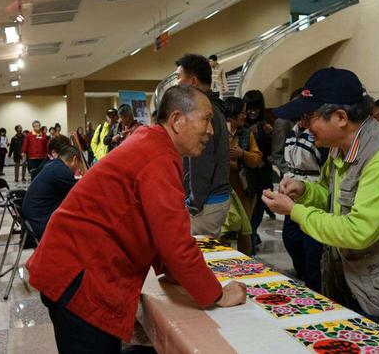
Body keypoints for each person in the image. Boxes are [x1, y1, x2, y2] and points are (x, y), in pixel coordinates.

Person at [26, 85, 246, 354]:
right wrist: (217, 294)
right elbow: (176, 245)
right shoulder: (158, 157)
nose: (211, 130)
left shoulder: (151, 144)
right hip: (79, 276)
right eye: (207, 119)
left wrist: (178, 273)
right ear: (177, 120)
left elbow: (157, 230)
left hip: (75, 267)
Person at [261, 67, 379, 354]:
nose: (304, 126)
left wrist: (295, 212)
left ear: (340, 117)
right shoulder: (340, 147)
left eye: (308, 117)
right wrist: (304, 191)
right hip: (361, 285)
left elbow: (358, 231)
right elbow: (331, 196)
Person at [175, 54, 231, 238]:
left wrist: (193, 202)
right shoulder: (211, 108)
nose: (176, 83)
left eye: (178, 77)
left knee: (196, 259)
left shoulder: (204, 112)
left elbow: (202, 163)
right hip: (208, 199)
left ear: (192, 81)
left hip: (206, 202)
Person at [281, 109, 328, 292]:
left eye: (306, 116)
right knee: (290, 237)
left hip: (313, 184)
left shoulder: (320, 136)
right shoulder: (293, 131)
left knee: (312, 246)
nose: (303, 121)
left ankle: (313, 284)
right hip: (295, 187)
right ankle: (303, 272)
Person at [225, 96, 262, 255]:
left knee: (245, 230)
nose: (245, 115)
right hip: (222, 190)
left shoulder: (247, 133)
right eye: (242, 112)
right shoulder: (217, 132)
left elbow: (256, 159)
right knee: (223, 229)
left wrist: (242, 154)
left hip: (244, 190)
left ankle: (246, 263)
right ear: (232, 113)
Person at [22, 145, 80, 240]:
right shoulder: (62, 171)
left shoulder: (53, 164)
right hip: (40, 223)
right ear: (74, 159)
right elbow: (77, 193)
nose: (78, 167)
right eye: (79, 163)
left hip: (32, 219)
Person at [243, 90, 275, 250]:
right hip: (247, 175)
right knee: (248, 209)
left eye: (256, 108)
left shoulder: (264, 126)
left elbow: (269, 153)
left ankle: (253, 233)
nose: (253, 111)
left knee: (259, 209)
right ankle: (249, 237)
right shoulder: (241, 126)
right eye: (250, 108)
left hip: (263, 175)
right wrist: (249, 133)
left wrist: (270, 136)